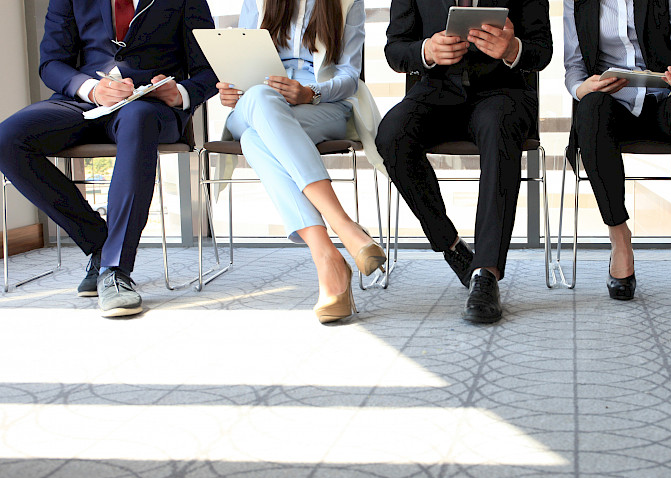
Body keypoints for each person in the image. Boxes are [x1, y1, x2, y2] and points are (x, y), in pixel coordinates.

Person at [0, 0, 218, 317]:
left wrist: (180, 92)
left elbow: (209, 69)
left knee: (138, 119)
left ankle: (116, 270)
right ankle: (100, 244)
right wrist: (91, 89)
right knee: (7, 139)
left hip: (152, 105)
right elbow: (51, 63)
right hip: (85, 100)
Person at [375, 0, 552, 324]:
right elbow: (395, 51)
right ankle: (452, 246)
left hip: (503, 92)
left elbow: (542, 51)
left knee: (499, 128)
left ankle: (486, 273)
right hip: (435, 90)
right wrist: (426, 50)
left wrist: (512, 48)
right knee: (391, 136)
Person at [215, 0, 385, 323]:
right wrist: (230, 91)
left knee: (254, 139)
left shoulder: (348, 2)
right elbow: (238, 65)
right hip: (255, 104)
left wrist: (311, 92)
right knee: (258, 100)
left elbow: (350, 75)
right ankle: (343, 227)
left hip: (321, 105)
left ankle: (327, 259)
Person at [563, 0, 671, 320]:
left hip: (665, 99)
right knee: (591, 108)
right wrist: (585, 87)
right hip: (613, 106)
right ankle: (620, 239)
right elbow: (574, 66)